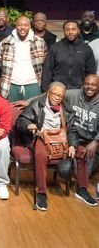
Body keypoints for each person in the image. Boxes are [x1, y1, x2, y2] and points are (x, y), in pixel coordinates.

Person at [16, 81, 68, 211]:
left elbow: (71, 127)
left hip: (60, 138)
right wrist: (29, 125)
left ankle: (80, 188)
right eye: (55, 94)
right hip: (41, 136)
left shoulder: (65, 107)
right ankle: (41, 193)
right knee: (41, 155)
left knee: (78, 152)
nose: (57, 97)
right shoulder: (37, 104)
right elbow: (20, 121)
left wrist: (72, 144)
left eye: (60, 96)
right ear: (48, 93)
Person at [65, 74, 99, 207]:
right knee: (81, 155)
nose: (89, 87)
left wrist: (96, 141)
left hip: (92, 139)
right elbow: (52, 93)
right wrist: (29, 101)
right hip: (73, 135)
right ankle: (82, 189)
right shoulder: (74, 94)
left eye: (93, 85)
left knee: (87, 164)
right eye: (87, 84)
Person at [0, 16, 47, 101]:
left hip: (33, 84)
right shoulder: (5, 43)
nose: (22, 27)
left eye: (26, 25)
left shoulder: (40, 42)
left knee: (33, 109)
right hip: (11, 85)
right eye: (20, 25)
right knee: (11, 109)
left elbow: (44, 60)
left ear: (30, 26)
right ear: (15, 26)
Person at [41, 21, 96, 92]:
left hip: (78, 91)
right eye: (67, 29)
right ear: (64, 31)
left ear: (78, 31)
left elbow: (91, 72)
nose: (70, 32)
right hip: (57, 90)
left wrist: (87, 89)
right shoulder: (55, 47)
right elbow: (47, 70)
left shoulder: (86, 49)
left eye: (73, 29)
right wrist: (45, 90)